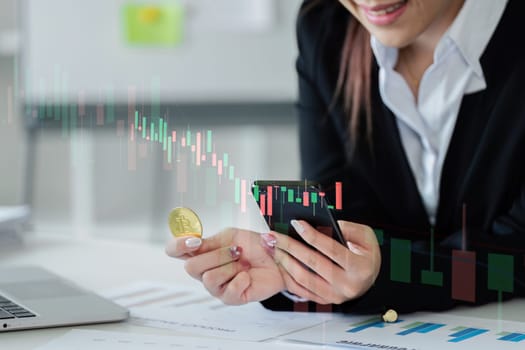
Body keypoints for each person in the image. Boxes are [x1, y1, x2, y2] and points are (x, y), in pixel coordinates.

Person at [166, 0, 525, 314]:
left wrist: (379, 272)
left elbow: (517, 255)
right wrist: (297, 267)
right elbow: (346, 224)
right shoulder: (326, 27)